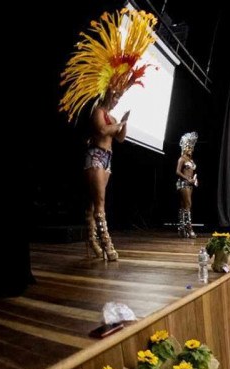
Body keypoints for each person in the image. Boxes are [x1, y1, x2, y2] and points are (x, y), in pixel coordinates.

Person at [59, 10, 158, 261]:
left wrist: (123, 124)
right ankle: (107, 244)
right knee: (100, 204)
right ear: (107, 91)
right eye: (115, 95)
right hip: (95, 157)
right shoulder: (98, 111)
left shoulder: (113, 116)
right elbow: (103, 131)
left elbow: (120, 138)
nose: (116, 98)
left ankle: (92, 242)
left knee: (93, 205)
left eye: (119, 97)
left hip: (107, 158)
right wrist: (115, 127)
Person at [175, 132, 199, 238]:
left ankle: (181, 229)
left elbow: (191, 172)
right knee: (188, 204)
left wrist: (194, 180)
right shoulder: (182, 159)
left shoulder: (190, 160)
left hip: (189, 185)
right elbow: (177, 172)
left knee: (184, 206)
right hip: (183, 184)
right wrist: (187, 178)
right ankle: (189, 229)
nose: (191, 149)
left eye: (192, 147)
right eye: (189, 147)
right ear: (185, 147)